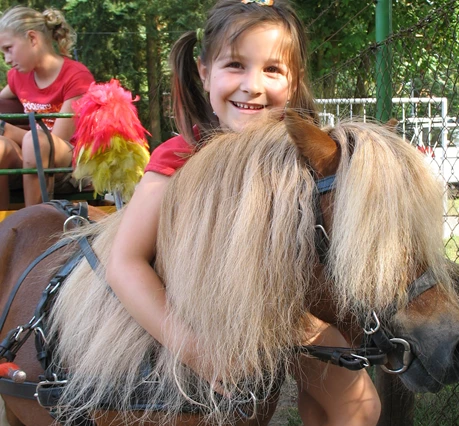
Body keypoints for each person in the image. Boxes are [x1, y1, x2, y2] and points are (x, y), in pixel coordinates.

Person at [105, 0, 381, 424]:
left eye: (273, 69)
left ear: (294, 81)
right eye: (235, 65)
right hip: (196, 311)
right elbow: (125, 262)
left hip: (282, 315)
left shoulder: (300, 158)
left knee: (358, 405)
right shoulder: (180, 157)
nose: (252, 85)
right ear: (203, 72)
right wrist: (195, 351)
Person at [0, 6, 95, 210]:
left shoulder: (75, 77)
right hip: (32, 156)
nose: (7, 60)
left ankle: (33, 221)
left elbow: (57, 141)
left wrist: (5, 129)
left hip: (68, 163)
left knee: (37, 142)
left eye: (9, 49)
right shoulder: (18, 77)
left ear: (32, 39)